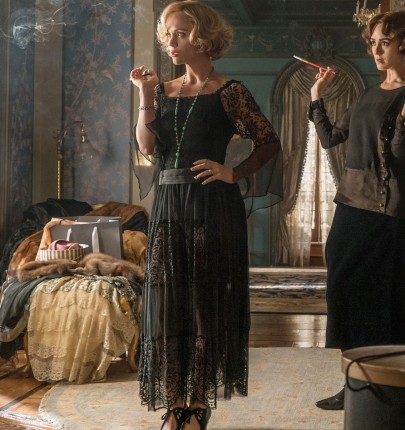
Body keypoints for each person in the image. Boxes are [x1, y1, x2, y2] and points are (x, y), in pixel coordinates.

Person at [129, 1, 281, 429]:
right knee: (168, 304)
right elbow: (146, 147)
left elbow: (268, 142)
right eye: (167, 34)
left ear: (202, 37)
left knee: (204, 305)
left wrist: (233, 172)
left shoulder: (230, 92)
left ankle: (197, 404)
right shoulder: (162, 91)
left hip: (212, 207)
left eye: (179, 33)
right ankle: (173, 404)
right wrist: (145, 94)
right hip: (169, 206)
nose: (170, 42)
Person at [308, 10, 405, 410]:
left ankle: (392, 389)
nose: (376, 51)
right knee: (344, 292)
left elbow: (403, 158)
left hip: (390, 209)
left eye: (385, 42)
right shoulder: (367, 92)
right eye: (373, 43)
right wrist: (316, 97)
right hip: (351, 202)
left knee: (386, 300)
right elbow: (331, 138)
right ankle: (355, 382)